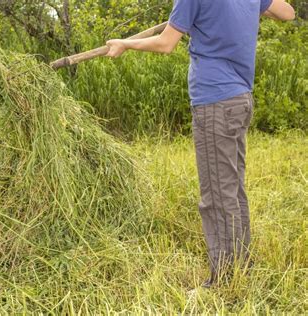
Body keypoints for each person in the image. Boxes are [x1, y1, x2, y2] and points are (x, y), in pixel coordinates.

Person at [105, 0, 295, 288]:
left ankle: (224, 278)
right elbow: (287, 13)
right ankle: (241, 264)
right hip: (240, 99)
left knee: (217, 194)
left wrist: (125, 44)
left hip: (215, 101)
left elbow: (166, 43)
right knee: (232, 187)